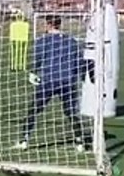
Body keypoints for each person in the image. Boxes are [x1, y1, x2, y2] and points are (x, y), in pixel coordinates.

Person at [14, 15, 88, 152]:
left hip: (49, 81)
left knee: (34, 111)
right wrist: (80, 77)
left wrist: (33, 73)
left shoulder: (42, 41)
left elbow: (37, 60)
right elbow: (79, 61)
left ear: (48, 25)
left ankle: (24, 140)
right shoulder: (71, 41)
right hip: (67, 81)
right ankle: (80, 142)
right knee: (71, 112)